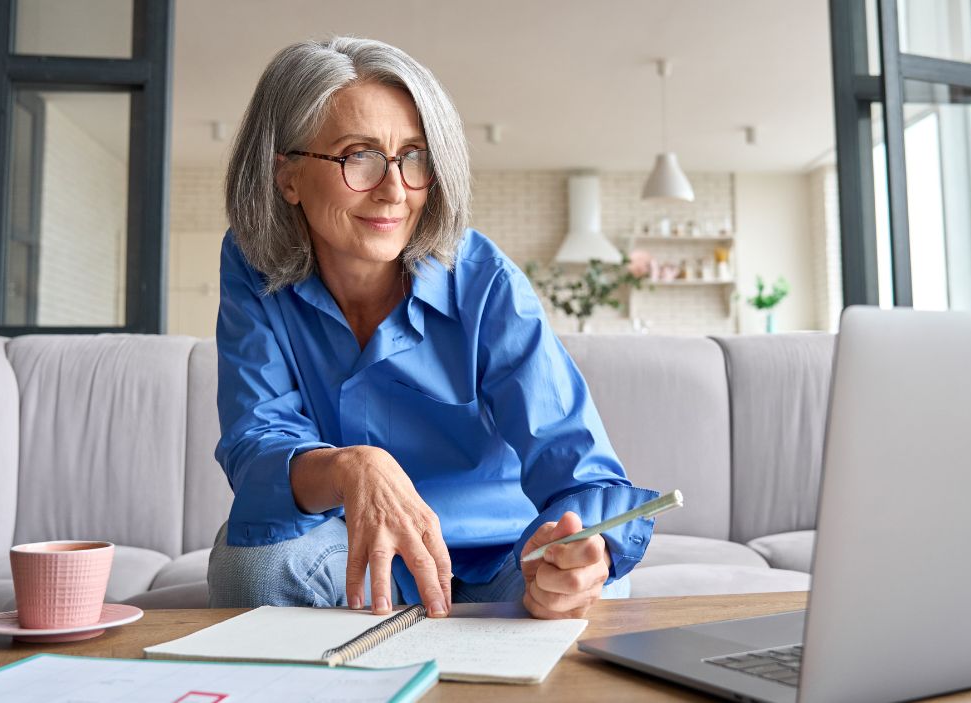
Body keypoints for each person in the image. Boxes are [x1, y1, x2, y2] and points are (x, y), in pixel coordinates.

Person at [208, 36, 659, 620]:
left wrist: (581, 553)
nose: (395, 190)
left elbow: (577, 467)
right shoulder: (251, 265)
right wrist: (350, 467)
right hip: (349, 558)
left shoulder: (485, 279)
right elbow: (256, 441)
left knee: (592, 593)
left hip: (500, 563)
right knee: (251, 568)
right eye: (359, 156)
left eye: (414, 157)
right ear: (287, 175)